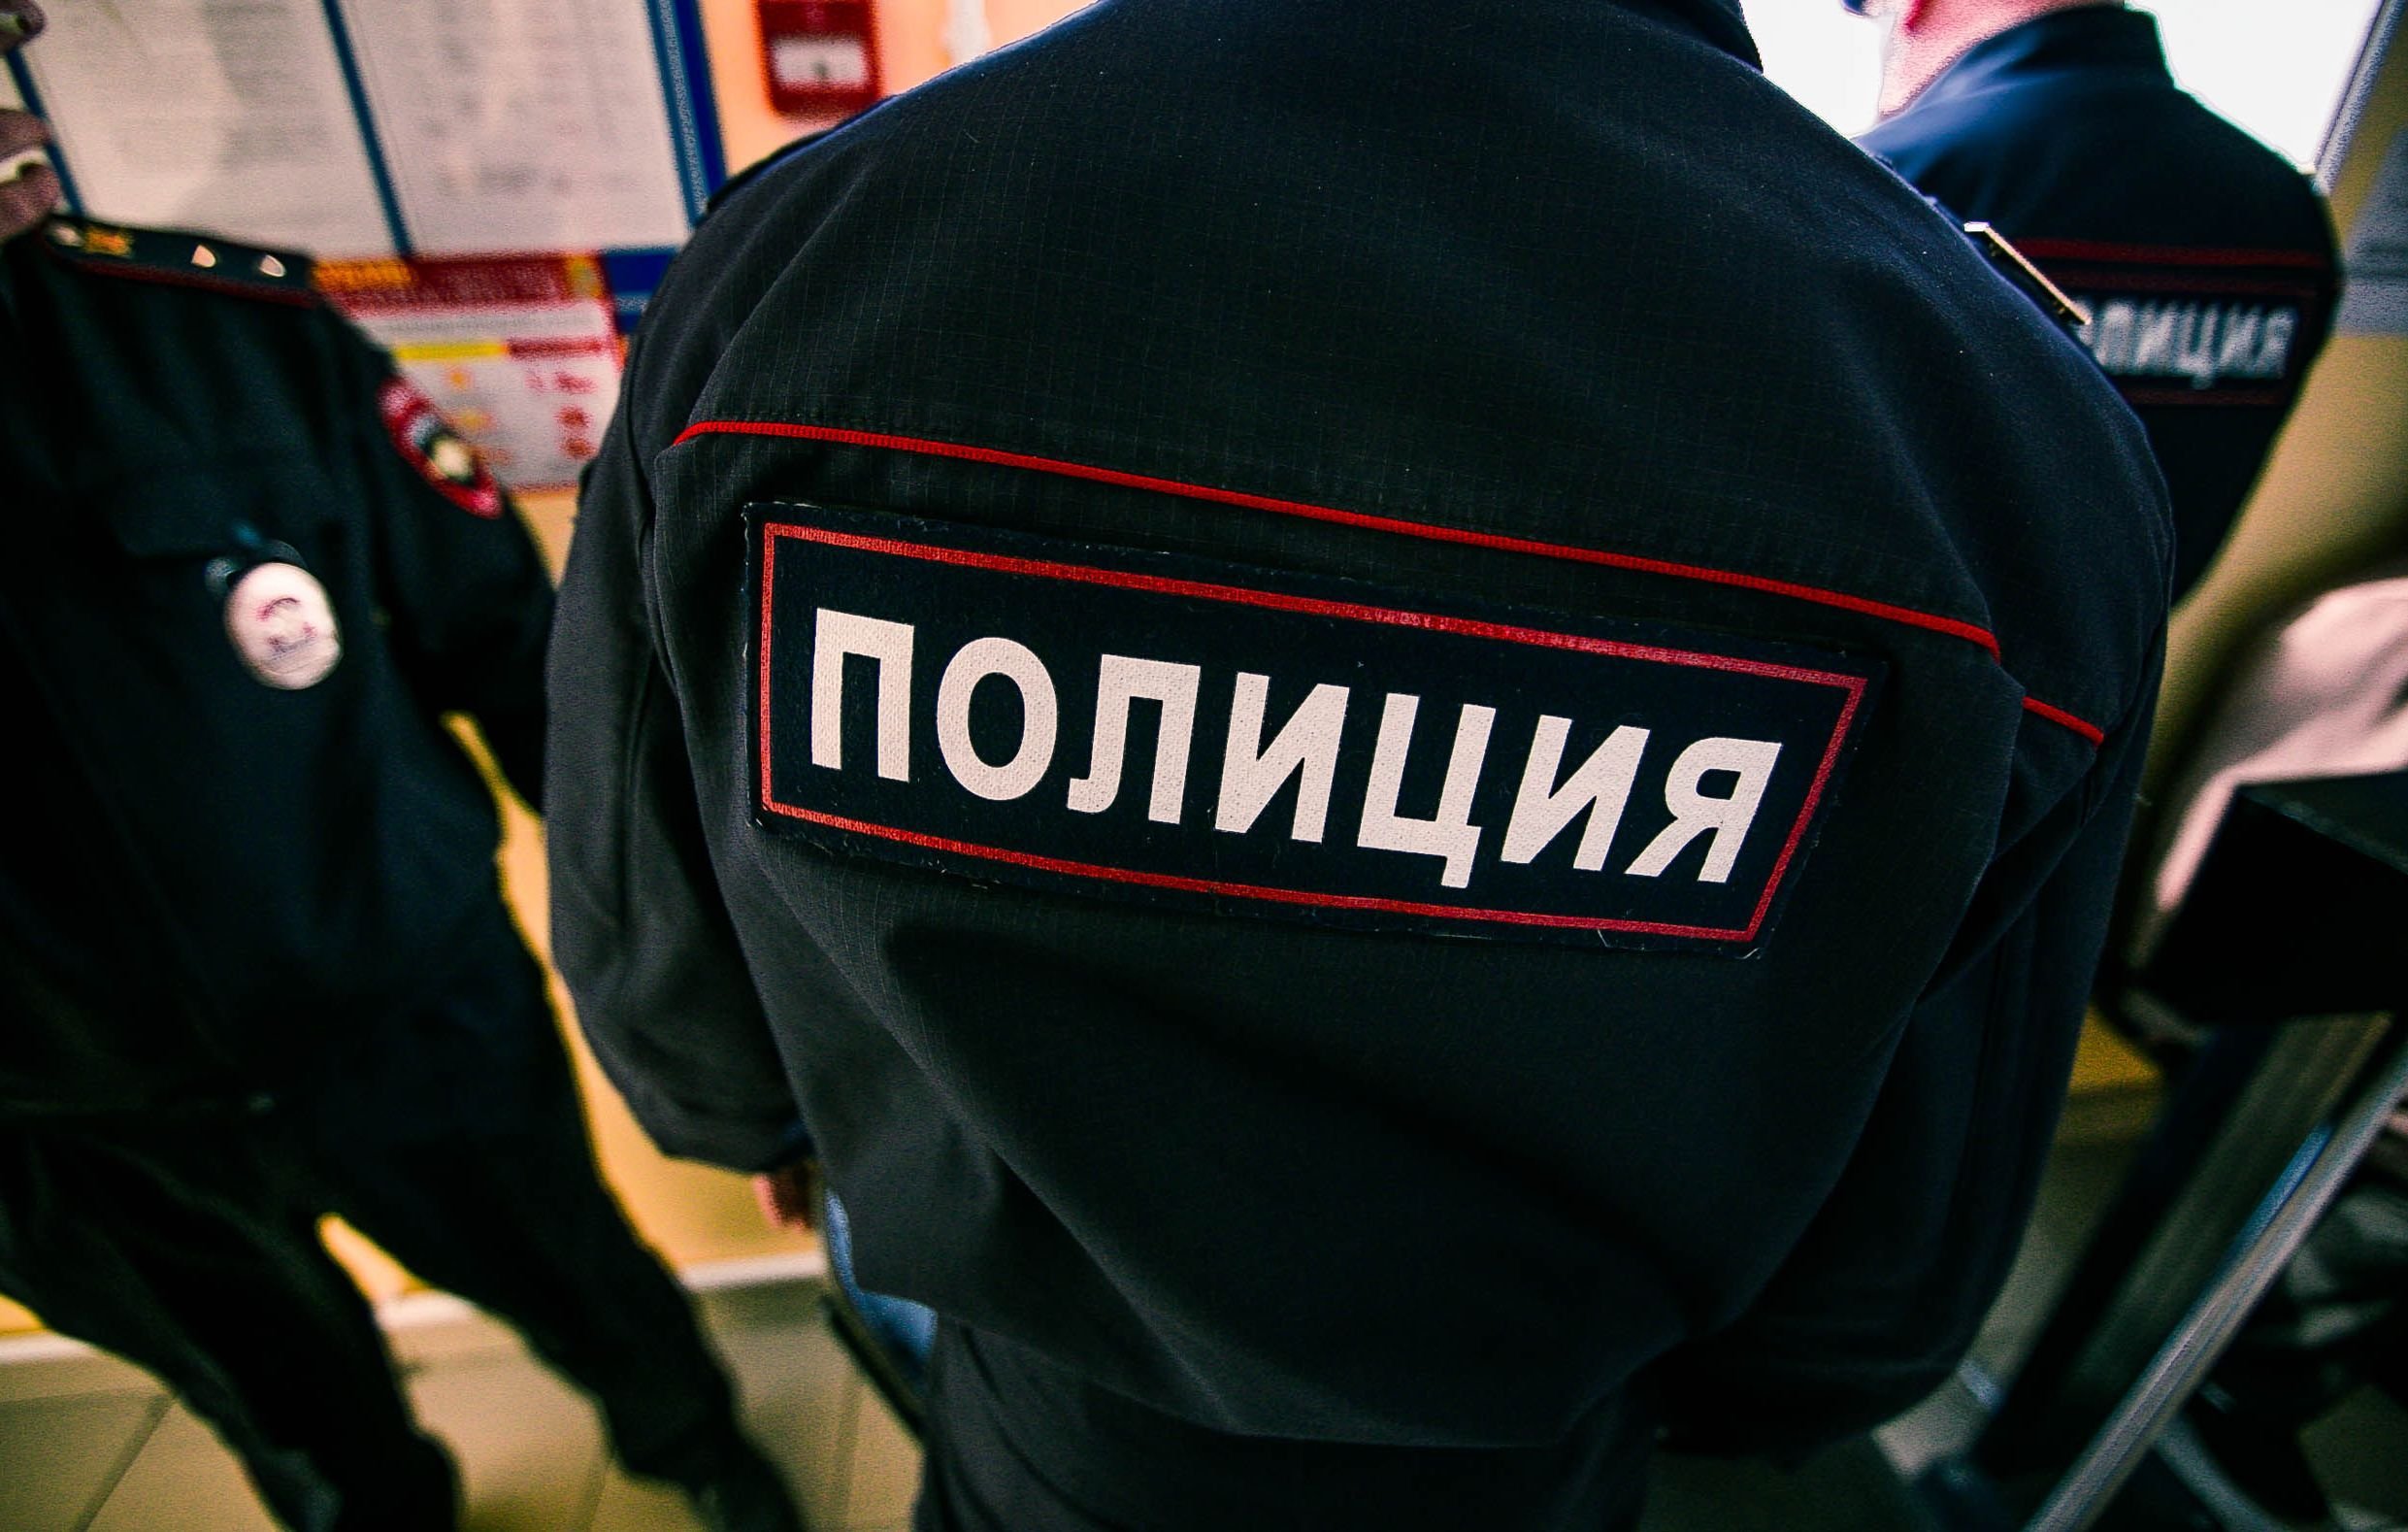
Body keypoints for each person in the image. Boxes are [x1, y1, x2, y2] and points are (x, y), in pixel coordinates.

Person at [545, 0, 2172, 1526]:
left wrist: (738, 1113)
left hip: (1045, 1419)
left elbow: (641, 851)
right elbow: (1922, 1177)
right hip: (1544, 1437)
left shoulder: (817, 262)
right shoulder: (1991, 420)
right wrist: (1776, 1381)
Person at [0, 7, 801, 1529]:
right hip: (73, 1112)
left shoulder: (228, 334)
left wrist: (700, 955)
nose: (20, 112)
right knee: (292, 1413)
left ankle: (702, 1453)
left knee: (584, 1279)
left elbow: (514, 659)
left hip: (406, 1001)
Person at [1850, 0, 2342, 603]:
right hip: (2127, 648)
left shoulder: (1885, 179)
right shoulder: (2286, 208)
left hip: (1900, 639)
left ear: (1914, 6)